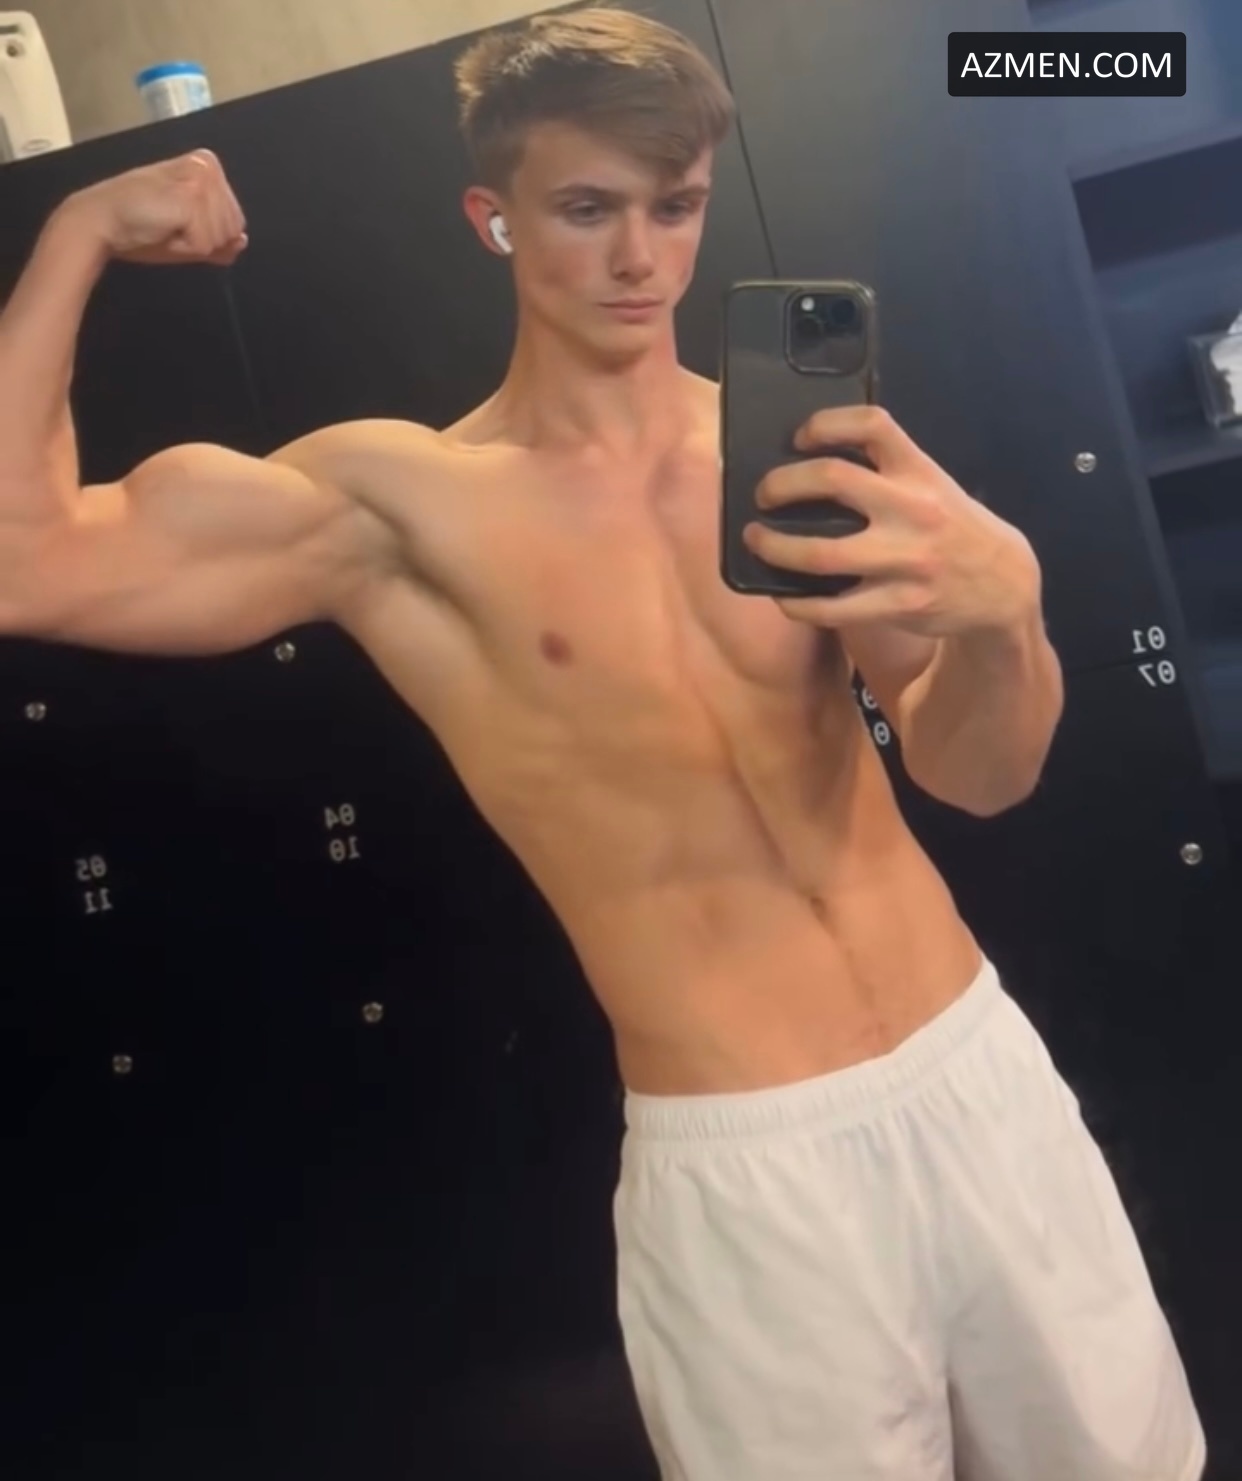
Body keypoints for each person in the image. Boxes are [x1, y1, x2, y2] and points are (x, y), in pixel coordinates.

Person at [0, 9, 1205, 1479]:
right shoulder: (399, 505)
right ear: (492, 217)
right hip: (751, 1162)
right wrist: (74, 232)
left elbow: (979, 774)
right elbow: (23, 560)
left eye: (674, 207)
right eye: (587, 210)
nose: (642, 259)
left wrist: (1005, 617)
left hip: (977, 1074)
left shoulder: (795, 452)